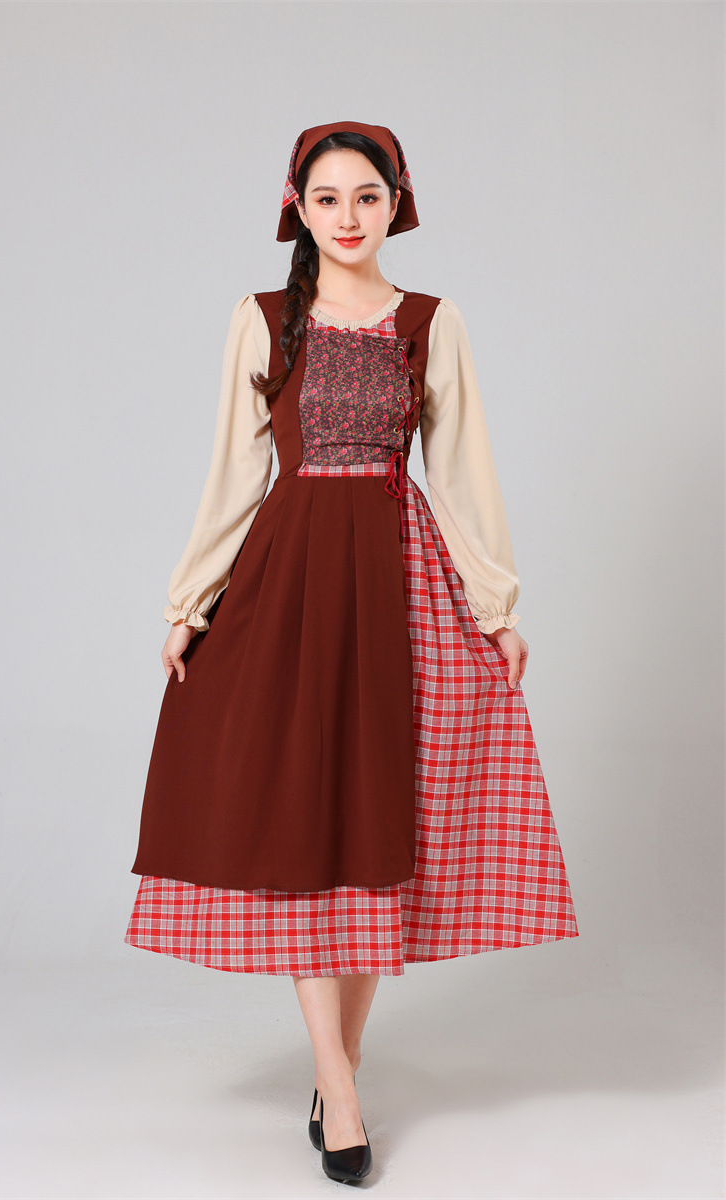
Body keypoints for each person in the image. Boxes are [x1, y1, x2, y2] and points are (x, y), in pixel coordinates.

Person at [124, 120, 578, 1185]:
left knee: (380, 825)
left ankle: (339, 1076)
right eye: (326, 198)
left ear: (395, 204)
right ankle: (339, 1081)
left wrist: (496, 606)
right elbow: (233, 474)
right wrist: (191, 601)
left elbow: (462, 471)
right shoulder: (261, 319)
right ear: (298, 208)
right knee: (303, 818)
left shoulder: (430, 322)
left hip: (398, 579)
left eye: (366, 197)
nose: (347, 216)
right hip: (288, 580)